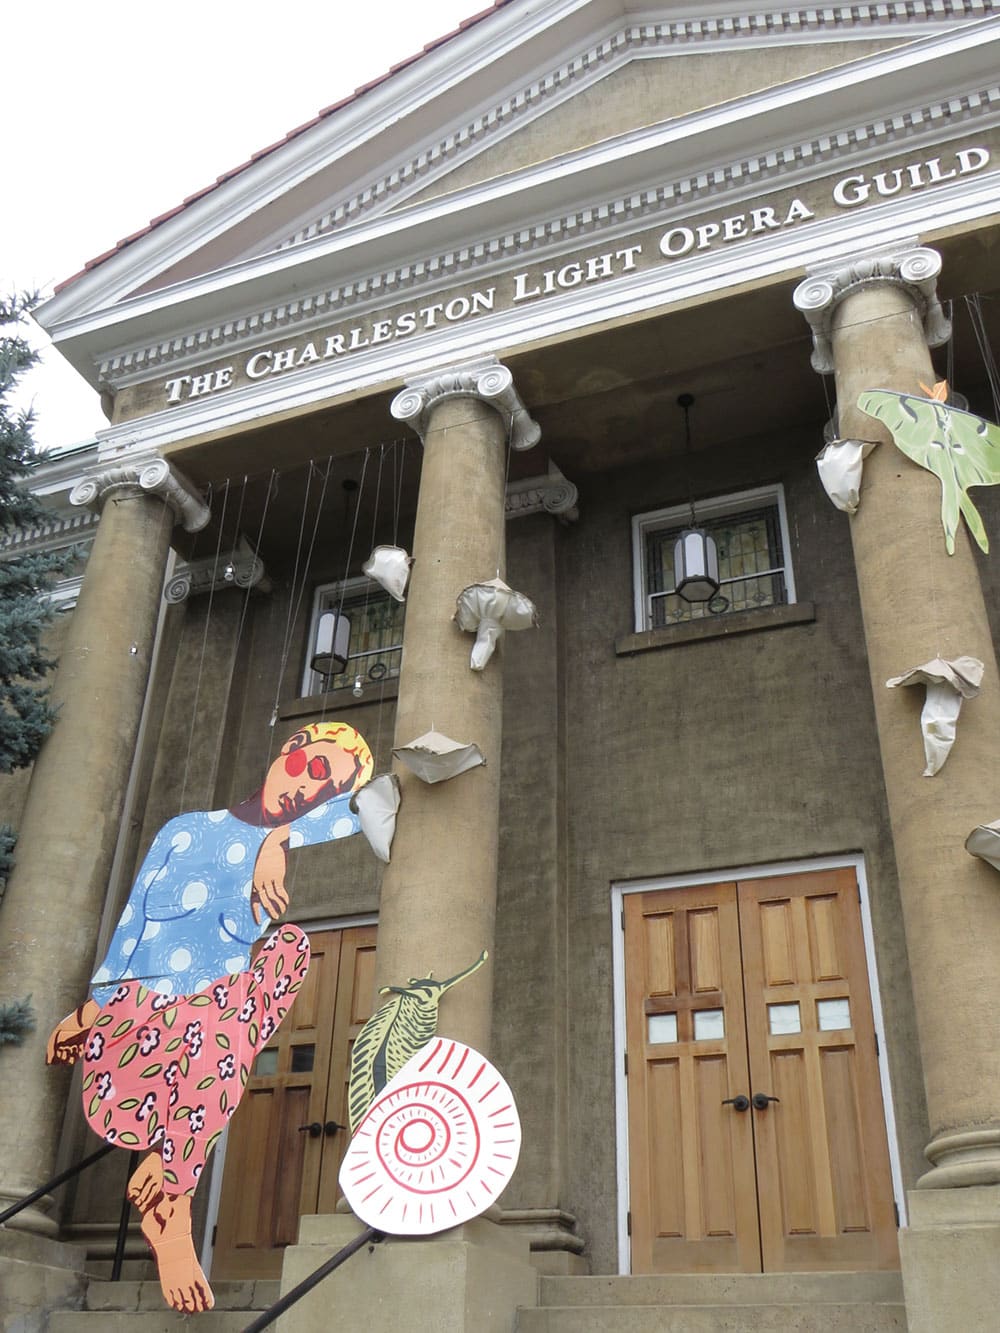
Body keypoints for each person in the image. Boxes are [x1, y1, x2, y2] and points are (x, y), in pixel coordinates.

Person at [46, 721, 373, 1313]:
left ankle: (171, 1197)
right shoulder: (184, 830)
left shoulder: (290, 838)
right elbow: (131, 928)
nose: (308, 788)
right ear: (289, 749)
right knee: (214, 1033)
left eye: (324, 788)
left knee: (286, 951)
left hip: (208, 1035)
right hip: (136, 1038)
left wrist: (278, 839)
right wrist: (89, 1011)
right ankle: (168, 1166)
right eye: (312, 768)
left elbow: (362, 808)